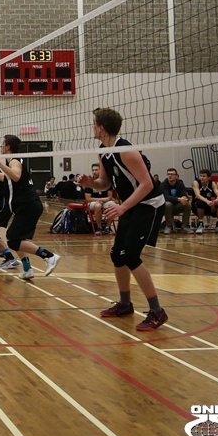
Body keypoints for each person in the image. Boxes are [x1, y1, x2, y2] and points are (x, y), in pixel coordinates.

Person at [77, 108, 167, 331]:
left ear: (101, 128)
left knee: (130, 255)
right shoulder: (103, 151)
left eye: (94, 124)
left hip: (148, 204)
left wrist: (122, 207)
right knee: (117, 254)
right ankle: (125, 303)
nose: (92, 127)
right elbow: (105, 183)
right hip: (129, 205)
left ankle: (157, 311)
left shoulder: (126, 150)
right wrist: (91, 183)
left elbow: (147, 184)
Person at [0, 135, 58, 280]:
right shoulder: (11, 162)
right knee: (16, 237)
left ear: (7, 147)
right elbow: (4, 177)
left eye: (3, 143)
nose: (1, 146)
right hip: (25, 206)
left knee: (13, 240)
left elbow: (16, 176)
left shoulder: (14, 160)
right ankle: (27, 269)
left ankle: (49, 256)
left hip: (29, 206)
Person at [85, 164, 114, 235]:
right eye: (93, 170)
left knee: (113, 205)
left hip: (104, 201)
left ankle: (107, 227)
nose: (94, 172)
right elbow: (88, 198)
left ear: (101, 171)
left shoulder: (107, 181)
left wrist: (101, 200)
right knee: (97, 206)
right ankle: (99, 228)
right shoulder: (90, 182)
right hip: (93, 202)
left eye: (96, 170)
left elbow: (110, 197)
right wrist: (97, 200)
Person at [160, 168, 191, 234]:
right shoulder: (163, 184)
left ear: (176, 176)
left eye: (172, 174)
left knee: (187, 204)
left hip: (177, 206)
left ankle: (185, 226)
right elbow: (166, 197)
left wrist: (185, 198)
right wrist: (179, 199)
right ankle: (169, 226)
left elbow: (185, 194)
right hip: (167, 207)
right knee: (168, 204)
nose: (170, 176)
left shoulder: (180, 184)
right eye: (168, 174)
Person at [191, 170, 218, 234]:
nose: (202, 178)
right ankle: (200, 224)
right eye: (201, 176)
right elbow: (197, 195)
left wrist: (217, 200)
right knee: (200, 203)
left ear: (209, 177)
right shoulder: (196, 182)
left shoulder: (212, 183)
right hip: (197, 205)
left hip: (210, 205)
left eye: (204, 176)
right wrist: (207, 201)